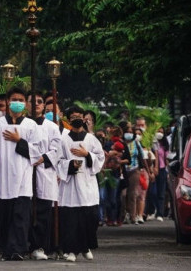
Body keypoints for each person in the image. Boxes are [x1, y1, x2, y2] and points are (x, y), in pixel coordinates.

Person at [0, 87, 42, 261]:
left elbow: (37, 151)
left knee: (21, 216)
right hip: (2, 178)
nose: (17, 103)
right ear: (8, 101)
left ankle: (18, 250)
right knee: (5, 216)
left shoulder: (31, 125)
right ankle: (6, 249)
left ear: (25, 104)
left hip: (22, 177)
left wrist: (19, 141)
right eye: (14, 99)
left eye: (21, 100)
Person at [56, 105, 105, 262]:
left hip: (87, 184)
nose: (76, 119)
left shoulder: (91, 139)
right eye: (73, 117)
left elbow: (100, 158)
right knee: (70, 220)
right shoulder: (63, 140)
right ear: (68, 120)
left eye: (79, 116)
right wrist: (70, 165)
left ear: (84, 118)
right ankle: (71, 251)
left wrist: (87, 154)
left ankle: (85, 247)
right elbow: (58, 161)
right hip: (70, 186)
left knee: (89, 218)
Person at [26, 92, 62, 260]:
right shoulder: (22, 125)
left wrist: (42, 159)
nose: (36, 104)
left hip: (44, 172)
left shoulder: (52, 127)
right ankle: (25, 245)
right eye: (32, 101)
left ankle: (40, 246)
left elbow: (56, 149)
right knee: (25, 211)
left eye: (39, 102)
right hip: (25, 172)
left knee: (42, 213)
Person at [153, 127, 169, 221]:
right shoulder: (152, 144)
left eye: (161, 132)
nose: (159, 133)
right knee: (153, 192)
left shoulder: (164, 145)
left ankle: (160, 213)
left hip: (162, 170)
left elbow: (167, 159)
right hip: (154, 169)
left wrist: (167, 171)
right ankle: (152, 209)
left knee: (161, 193)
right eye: (158, 131)